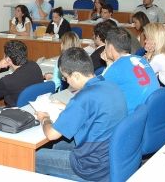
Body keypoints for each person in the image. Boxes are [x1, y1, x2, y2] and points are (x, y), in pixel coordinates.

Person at [35, 47, 127, 181]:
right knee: (58, 146)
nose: (67, 82)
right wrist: (68, 106)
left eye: (66, 77)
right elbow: (94, 110)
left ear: (77, 75)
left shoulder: (82, 98)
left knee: (34, 156)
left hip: (90, 167)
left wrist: (45, 119)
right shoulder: (110, 85)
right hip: (110, 155)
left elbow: (51, 134)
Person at [102, 27, 159, 114]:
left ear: (110, 47)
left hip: (133, 118)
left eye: (105, 45)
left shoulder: (115, 68)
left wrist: (109, 64)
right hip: (152, 111)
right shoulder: (141, 59)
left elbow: (97, 91)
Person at [0, 40, 43, 107]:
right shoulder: (34, 65)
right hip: (32, 107)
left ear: (7, 59)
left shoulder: (8, 81)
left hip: (15, 112)